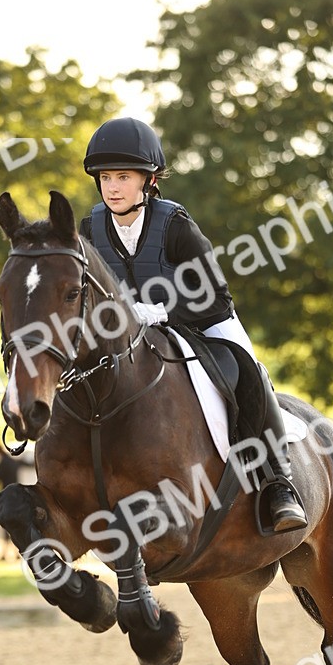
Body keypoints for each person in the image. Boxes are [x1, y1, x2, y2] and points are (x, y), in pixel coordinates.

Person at [79, 117, 307, 534]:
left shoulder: (174, 224)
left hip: (203, 324)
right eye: (106, 177)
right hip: (130, 340)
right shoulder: (90, 229)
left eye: (123, 177)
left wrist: (160, 311)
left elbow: (216, 295)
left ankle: (279, 482)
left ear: (148, 180)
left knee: (249, 371)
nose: (112, 187)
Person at [0, 435, 20, 560]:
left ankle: (5, 553)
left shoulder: (3, 462)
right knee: (16, 525)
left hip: (6, 496)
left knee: (6, 525)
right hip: (16, 495)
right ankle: (16, 553)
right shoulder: (13, 462)